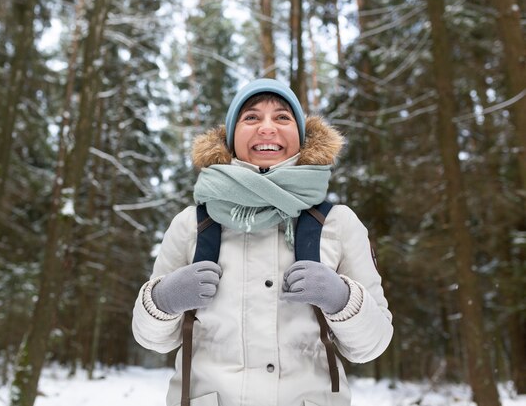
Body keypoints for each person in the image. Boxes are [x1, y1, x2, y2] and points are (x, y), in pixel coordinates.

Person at [132, 78, 393, 406]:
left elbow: (372, 345)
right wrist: (163, 299)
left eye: (282, 117)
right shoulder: (191, 224)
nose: (267, 129)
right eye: (251, 118)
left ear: (301, 137)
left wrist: (343, 300)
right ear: (230, 136)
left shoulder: (337, 223)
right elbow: (152, 339)